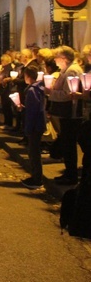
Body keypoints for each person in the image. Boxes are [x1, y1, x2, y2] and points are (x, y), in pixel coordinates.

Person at [48, 46, 84, 185]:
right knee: (67, 143)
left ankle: (71, 175)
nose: (55, 60)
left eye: (56, 57)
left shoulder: (72, 71)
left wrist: (50, 92)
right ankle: (69, 173)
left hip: (71, 113)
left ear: (64, 58)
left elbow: (68, 94)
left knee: (69, 144)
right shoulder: (67, 70)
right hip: (67, 112)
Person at [19, 67, 45, 189]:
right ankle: (35, 176)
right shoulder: (39, 88)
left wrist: (28, 128)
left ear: (28, 76)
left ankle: (36, 178)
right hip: (38, 123)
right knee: (34, 151)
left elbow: (33, 111)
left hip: (34, 124)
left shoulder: (32, 90)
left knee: (33, 152)